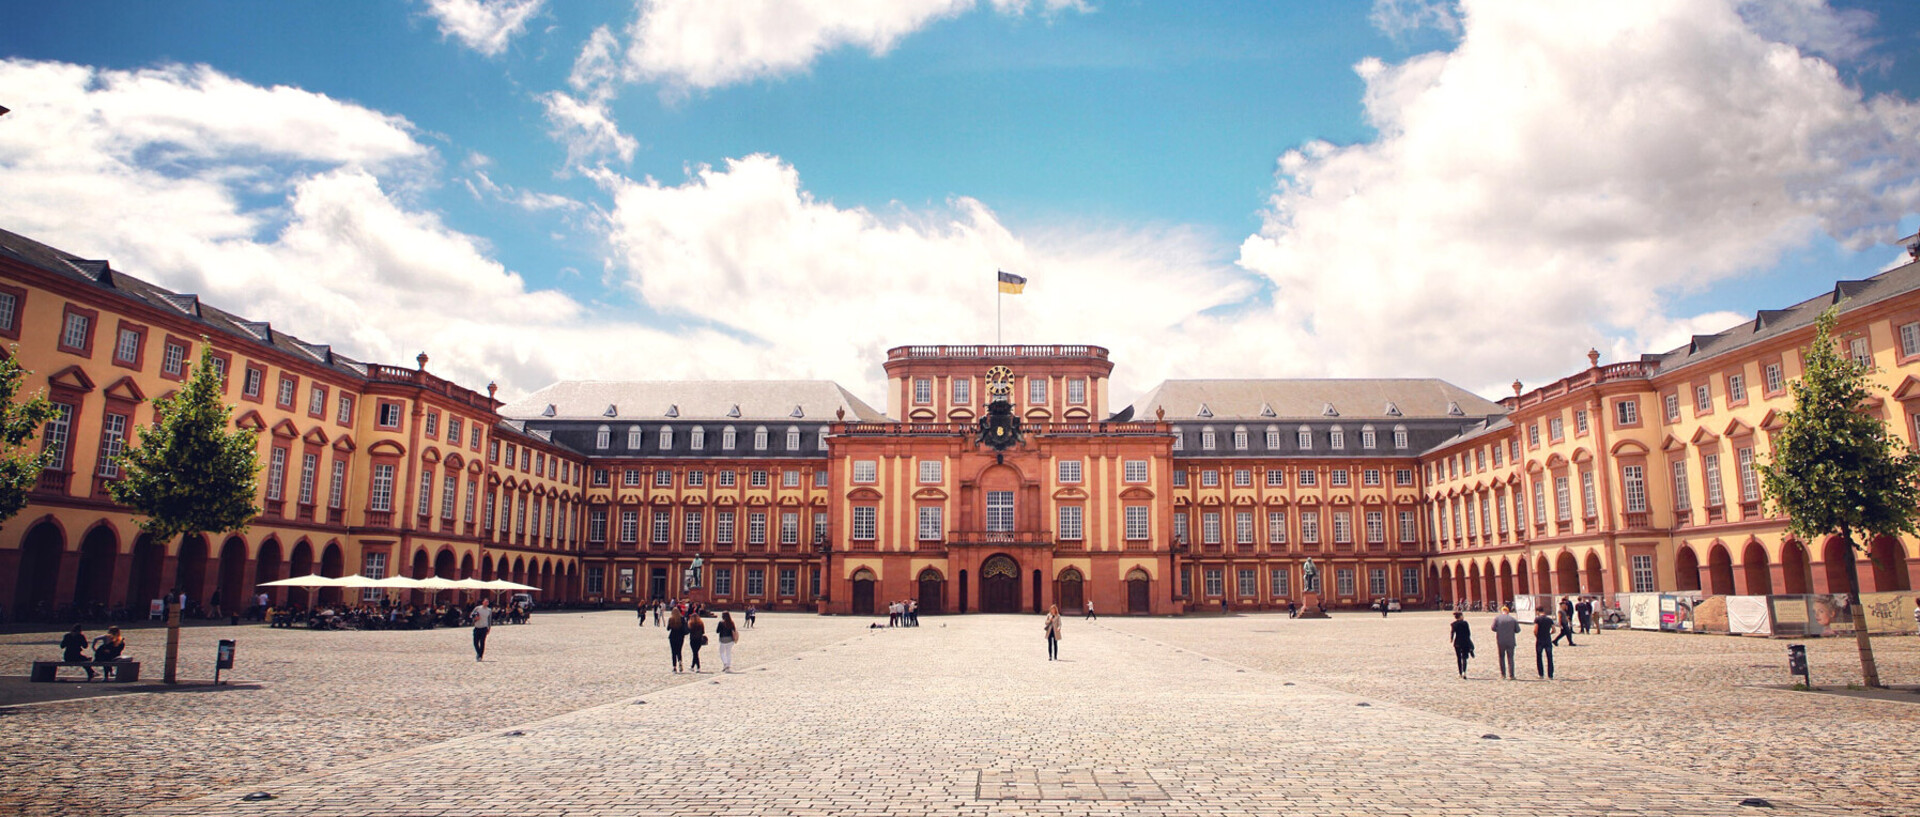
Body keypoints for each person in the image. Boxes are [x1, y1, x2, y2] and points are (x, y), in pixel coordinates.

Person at [1490, 605, 1520, 680]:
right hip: (1511, 641)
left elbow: (1493, 628)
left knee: (1501, 657)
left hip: (1501, 640)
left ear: (1502, 611)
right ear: (1508, 611)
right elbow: (1518, 630)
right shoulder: (1513, 619)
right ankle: (1511, 675)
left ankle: (1503, 675)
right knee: (1510, 658)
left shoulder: (1497, 618)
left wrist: (1499, 630)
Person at [1533, 606, 1557, 680]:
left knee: (1539, 657)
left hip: (1540, 639)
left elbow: (1535, 630)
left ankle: (1541, 674)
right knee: (1549, 657)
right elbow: (1554, 630)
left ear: (1537, 611)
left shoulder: (1537, 619)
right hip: (1547, 639)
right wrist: (1549, 633)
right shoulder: (1549, 619)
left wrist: (1537, 636)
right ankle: (1550, 675)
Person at [1448, 612, 1474, 679]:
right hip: (1465, 642)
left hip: (1457, 643)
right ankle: (1464, 672)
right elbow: (1468, 633)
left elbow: (1452, 632)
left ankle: (1460, 673)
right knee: (1464, 658)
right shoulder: (1465, 623)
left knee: (1459, 658)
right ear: (1460, 616)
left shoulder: (1454, 624)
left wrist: (1451, 639)